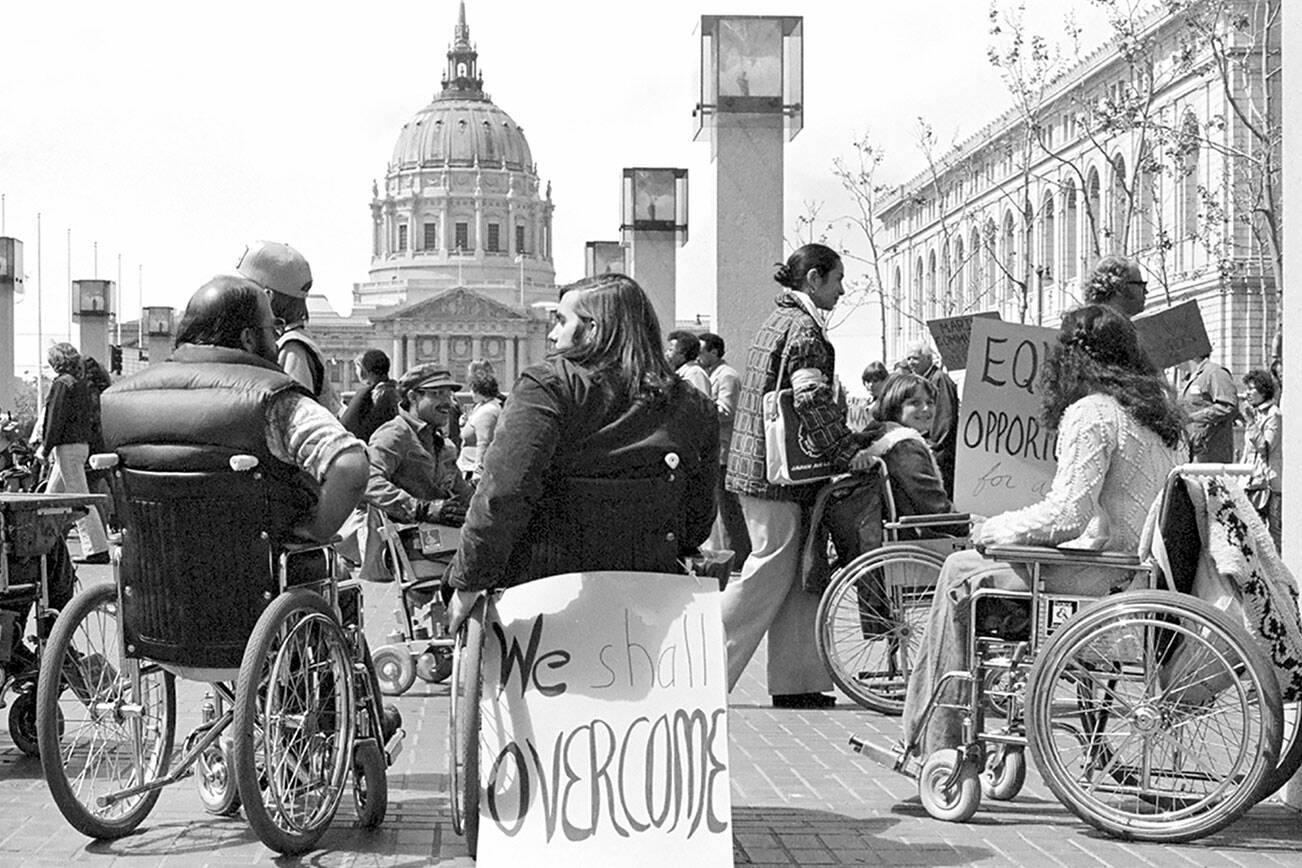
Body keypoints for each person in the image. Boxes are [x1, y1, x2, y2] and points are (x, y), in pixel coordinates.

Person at [902, 304, 1185, 758]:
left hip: (1104, 579)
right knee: (974, 568)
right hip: (1140, 573)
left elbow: (1066, 516)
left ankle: (933, 741)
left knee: (958, 571)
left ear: (1069, 358)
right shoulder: (1160, 419)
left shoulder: (1093, 414)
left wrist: (994, 529)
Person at [445, 274, 718, 626]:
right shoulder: (693, 403)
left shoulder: (546, 386)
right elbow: (698, 517)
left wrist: (469, 580)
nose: (551, 334)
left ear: (592, 329)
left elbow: (504, 491)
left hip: (547, 590)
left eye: (561, 321)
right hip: (652, 591)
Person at [722, 243, 882, 709]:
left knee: (797, 575)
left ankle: (799, 683)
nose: (842, 290)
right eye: (837, 279)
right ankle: (698, 668)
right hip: (775, 479)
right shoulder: (804, 330)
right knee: (769, 574)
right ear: (814, 278)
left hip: (766, 472)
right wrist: (847, 451)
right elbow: (810, 397)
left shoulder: (778, 320)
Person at [101, 275, 370, 544]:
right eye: (273, 328)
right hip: (258, 561)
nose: (277, 340)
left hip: (152, 563)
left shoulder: (116, 399)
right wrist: (317, 528)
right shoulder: (275, 401)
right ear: (248, 338)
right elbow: (349, 466)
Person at [236, 240, 342, 413]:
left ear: (268, 295)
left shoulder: (292, 349)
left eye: (248, 289)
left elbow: (293, 415)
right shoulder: (287, 341)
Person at [38, 343, 110, 564]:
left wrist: (45, 447)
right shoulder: (80, 385)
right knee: (50, 499)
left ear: (56, 362)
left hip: (67, 447)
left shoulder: (62, 384)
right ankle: (44, 544)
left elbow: (55, 419)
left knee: (80, 499)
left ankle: (96, 549)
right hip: (80, 445)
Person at [855, 372, 955, 524]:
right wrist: (973, 524)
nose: (926, 409)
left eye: (930, 402)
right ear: (895, 406)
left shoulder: (882, 436)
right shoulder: (906, 445)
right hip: (921, 534)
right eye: (915, 403)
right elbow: (935, 508)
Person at [698, 331, 749, 571]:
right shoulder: (711, 374)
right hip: (715, 450)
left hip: (725, 451)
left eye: (702, 351)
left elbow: (727, 411)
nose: (698, 356)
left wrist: (699, 405)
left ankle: (738, 557)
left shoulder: (726, 376)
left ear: (714, 352)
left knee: (729, 508)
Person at [904, 340, 960, 499]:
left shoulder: (939, 379)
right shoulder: (922, 382)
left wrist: (933, 448)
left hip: (940, 455)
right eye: (908, 358)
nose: (910, 363)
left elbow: (944, 419)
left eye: (915, 358)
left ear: (928, 359)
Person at [1240, 368, 1281, 550]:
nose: (1247, 393)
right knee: (1250, 533)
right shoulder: (1255, 413)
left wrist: (1251, 423)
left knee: (1274, 535)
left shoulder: (1273, 415)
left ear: (1263, 391)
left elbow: (1265, 447)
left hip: (1268, 484)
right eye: (1247, 389)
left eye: (1252, 389)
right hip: (1251, 481)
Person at [1180, 352, 1239, 463]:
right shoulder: (1188, 379)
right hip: (1191, 450)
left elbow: (1228, 406)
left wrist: (1192, 417)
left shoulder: (1215, 373)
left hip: (1211, 452)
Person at [340, 349, 399, 442]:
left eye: (357, 368)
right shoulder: (396, 391)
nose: (356, 372)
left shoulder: (365, 394)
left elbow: (345, 426)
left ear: (364, 371)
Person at [456, 368, 503, 483]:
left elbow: (484, 442)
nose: (470, 393)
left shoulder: (488, 411)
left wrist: (479, 472)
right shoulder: (481, 406)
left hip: (472, 470)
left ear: (480, 391)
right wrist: (463, 424)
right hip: (467, 465)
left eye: (472, 390)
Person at [1082, 254, 1147, 317]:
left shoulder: (1089, 320)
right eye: (1140, 285)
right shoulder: (1105, 323)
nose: (1146, 291)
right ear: (1119, 287)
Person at [666, 329, 712, 397]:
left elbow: (700, 400)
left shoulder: (695, 373)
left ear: (683, 353)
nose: (666, 354)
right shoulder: (679, 371)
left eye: (671, 350)